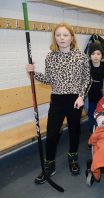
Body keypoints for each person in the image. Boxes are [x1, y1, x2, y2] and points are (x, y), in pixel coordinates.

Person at [25, 23, 90, 184]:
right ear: (55, 37)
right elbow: (49, 79)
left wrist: (81, 96)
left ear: (72, 37)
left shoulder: (81, 56)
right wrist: (32, 73)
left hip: (75, 100)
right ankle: (49, 165)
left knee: (74, 132)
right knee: (52, 133)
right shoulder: (51, 56)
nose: (62, 38)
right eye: (58, 35)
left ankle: (73, 159)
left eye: (65, 35)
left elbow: (87, 79)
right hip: (57, 100)